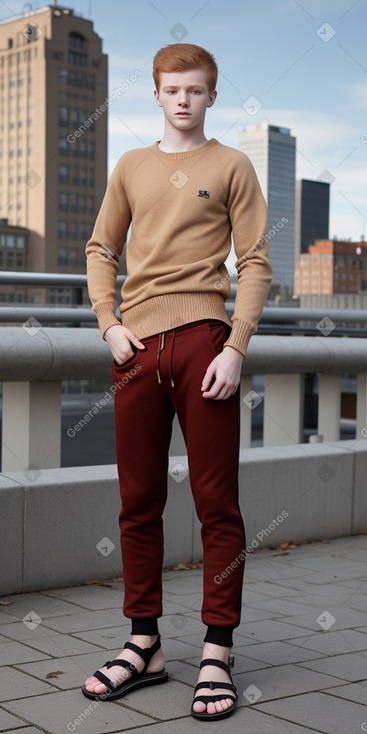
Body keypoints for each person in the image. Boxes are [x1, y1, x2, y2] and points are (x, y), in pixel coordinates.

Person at [82, 43, 272, 721]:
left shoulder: (232, 165)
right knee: (137, 502)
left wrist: (236, 347)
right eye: (172, 89)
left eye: (195, 90)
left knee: (215, 502)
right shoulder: (130, 167)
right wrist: (108, 324)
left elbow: (253, 261)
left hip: (203, 347)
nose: (183, 100)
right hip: (135, 351)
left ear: (210, 97)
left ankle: (217, 650)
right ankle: (146, 644)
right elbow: (101, 249)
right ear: (156, 95)